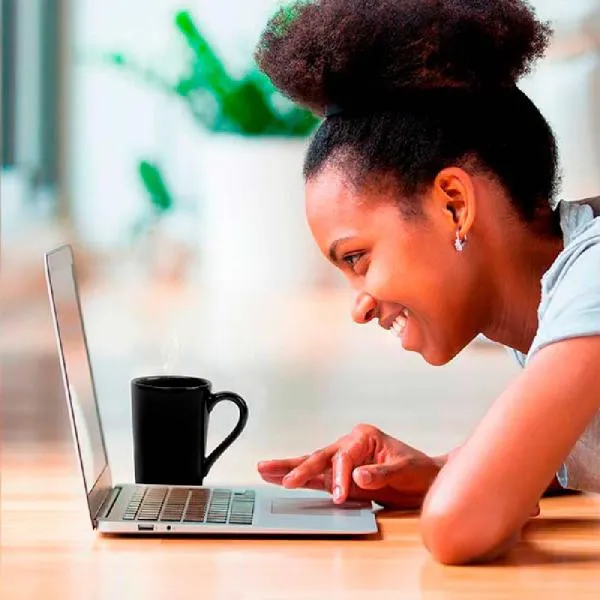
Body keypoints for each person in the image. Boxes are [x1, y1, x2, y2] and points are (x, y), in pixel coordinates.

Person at [252, 0, 600, 566]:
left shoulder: (592, 280)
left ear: (454, 204)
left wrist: (464, 490)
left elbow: (457, 528)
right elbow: (567, 453)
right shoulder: (556, 298)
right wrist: (438, 469)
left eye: (358, 257)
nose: (358, 307)